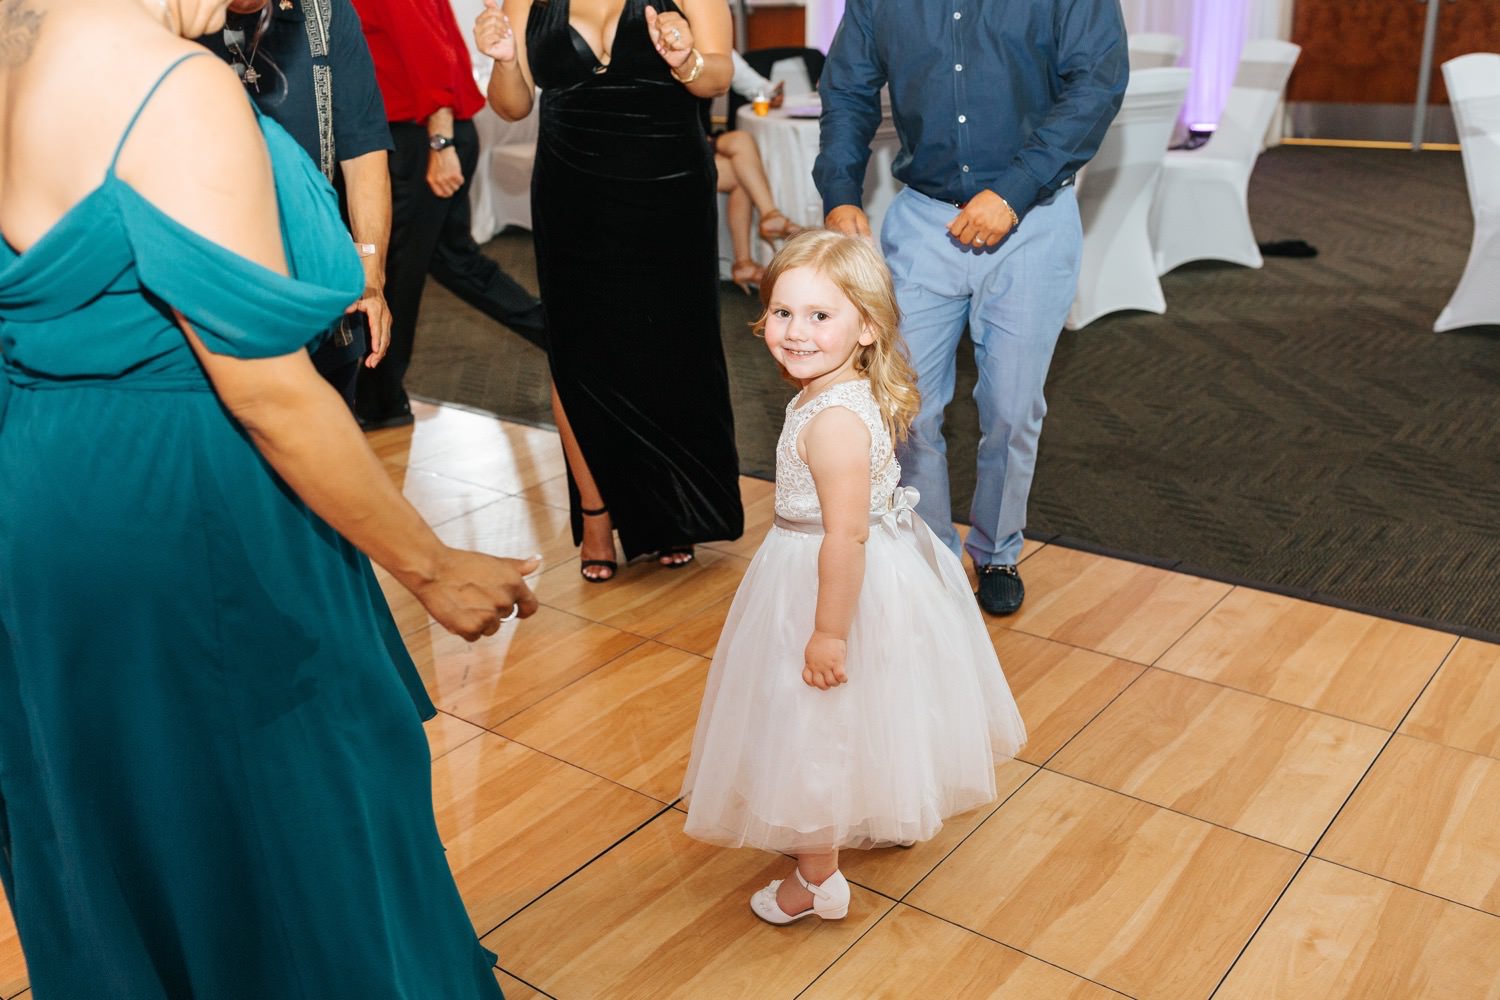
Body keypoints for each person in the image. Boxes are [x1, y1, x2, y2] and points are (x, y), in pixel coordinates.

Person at [0, 1, 539, 994]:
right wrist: (434, 565)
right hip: (189, 500)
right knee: (307, 801)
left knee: (118, 809)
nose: (274, 5)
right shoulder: (173, 83)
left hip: (43, 491)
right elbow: (265, 389)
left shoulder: (15, 39)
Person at [680, 231, 1025, 924]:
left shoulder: (832, 419)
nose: (795, 332)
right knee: (873, 703)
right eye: (782, 312)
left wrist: (828, 633)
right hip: (864, 574)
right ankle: (888, 801)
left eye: (819, 316)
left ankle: (816, 880)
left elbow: (845, 533)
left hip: (828, 579)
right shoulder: (834, 389)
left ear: (866, 326)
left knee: (810, 724)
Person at [815, 0, 1128, 615]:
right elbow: (848, 88)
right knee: (907, 404)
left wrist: (1013, 191)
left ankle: (997, 549)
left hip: (1032, 218)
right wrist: (840, 191)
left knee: (1011, 408)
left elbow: (1096, 85)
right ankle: (930, 555)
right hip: (923, 217)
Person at [475, 0, 744, 580]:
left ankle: (671, 511)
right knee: (577, 355)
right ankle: (596, 514)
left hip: (669, 191)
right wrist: (502, 62)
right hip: (573, 192)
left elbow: (718, 75)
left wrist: (687, 59)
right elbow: (514, 104)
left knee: (672, 351)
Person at [350, 0, 548, 430]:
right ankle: (568, 341)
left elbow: (431, 56)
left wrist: (440, 146)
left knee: (395, 275)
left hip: (425, 139)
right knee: (457, 262)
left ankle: (380, 401)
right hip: (422, 136)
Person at [197, 0, 395, 410]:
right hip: (211, 292)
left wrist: (370, 272)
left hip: (318, 287)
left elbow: (363, 152)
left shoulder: (326, 12)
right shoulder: (169, 23)